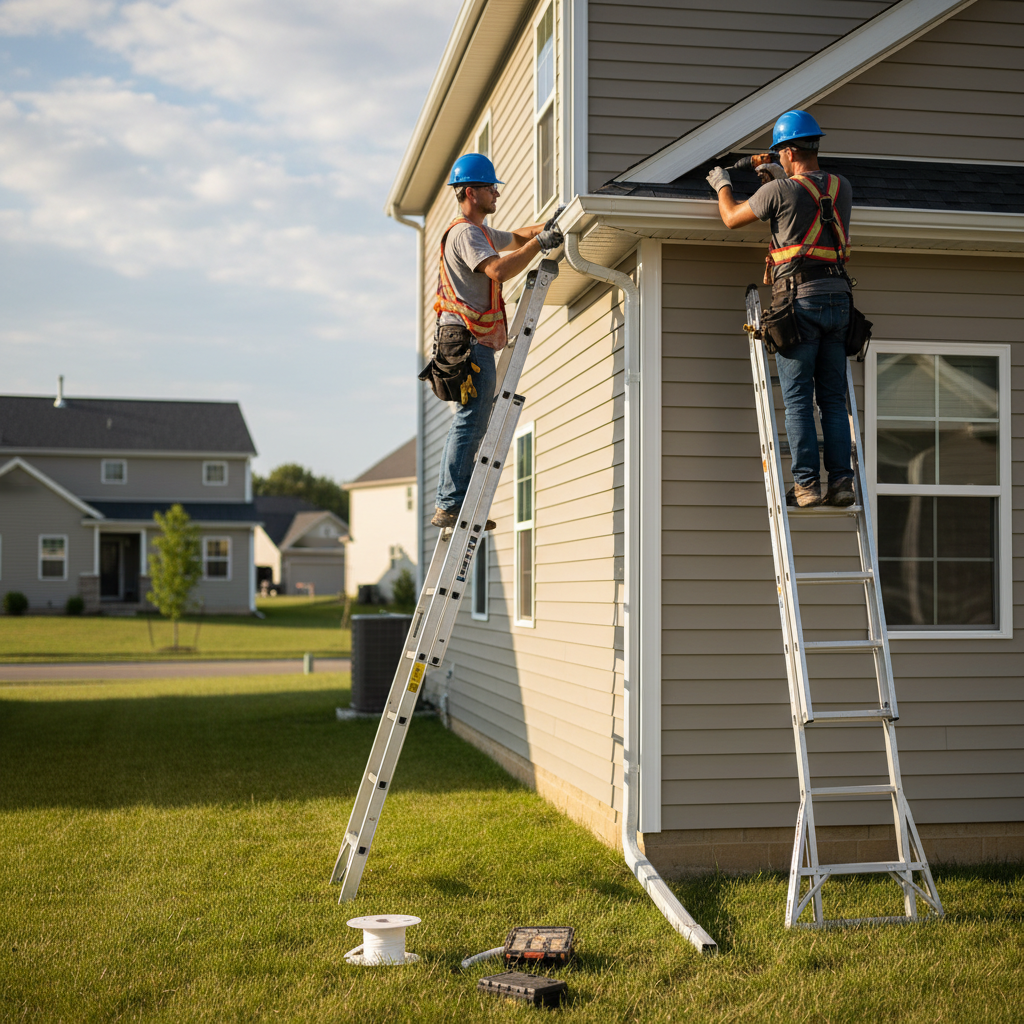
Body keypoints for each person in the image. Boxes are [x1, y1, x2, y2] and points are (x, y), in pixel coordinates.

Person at [706, 110, 856, 508]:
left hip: (798, 302)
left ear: (789, 150)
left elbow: (732, 217)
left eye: (779, 152)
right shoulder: (843, 187)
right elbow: (809, 203)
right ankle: (842, 482)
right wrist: (776, 175)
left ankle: (807, 486)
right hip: (840, 300)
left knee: (797, 401)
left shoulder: (779, 192)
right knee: (832, 400)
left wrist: (723, 184)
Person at [424, 153, 563, 529]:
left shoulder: (480, 232)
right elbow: (500, 269)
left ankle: (454, 501)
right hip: (467, 342)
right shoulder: (465, 233)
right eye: (490, 188)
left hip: (468, 339)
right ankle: (451, 503)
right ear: (470, 192)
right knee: (471, 420)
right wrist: (541, 245)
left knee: (474, 419)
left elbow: (516, 236)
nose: (496, 193)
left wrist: (548, 226)